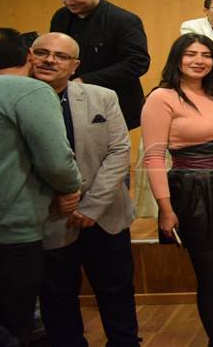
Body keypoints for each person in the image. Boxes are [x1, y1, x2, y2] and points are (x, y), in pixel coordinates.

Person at [141, 33, 213, 347]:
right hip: (195, 189)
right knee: (212, 273)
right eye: (191, 54)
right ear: (177, 58)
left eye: (206, 55)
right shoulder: (162, 97)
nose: (199, 60)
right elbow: (153, 156)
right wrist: (165, 209)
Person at [29, 33, 140, 346]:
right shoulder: (18, 100)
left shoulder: (101, 96)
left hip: (105, 214)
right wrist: (56, 198)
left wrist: (91, 206)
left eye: (60, 56)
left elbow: (119, 151)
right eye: (42, 52)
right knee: (57, 297)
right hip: (50, 217)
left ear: (75, 65)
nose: (50, 60)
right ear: (30, 57)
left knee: (117, 291)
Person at [0, 28, 82, 346]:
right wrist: (70, 188)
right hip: (10, 231)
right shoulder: (30, 91)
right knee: (13, 326)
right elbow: (56, 162)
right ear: (28, 55)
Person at [50, 0, 150, 130]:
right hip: (69, 99)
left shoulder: (124, 20)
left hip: (113, 100)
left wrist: (84, 81)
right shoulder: (60, 17)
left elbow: (137, 63)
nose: (69, 2)